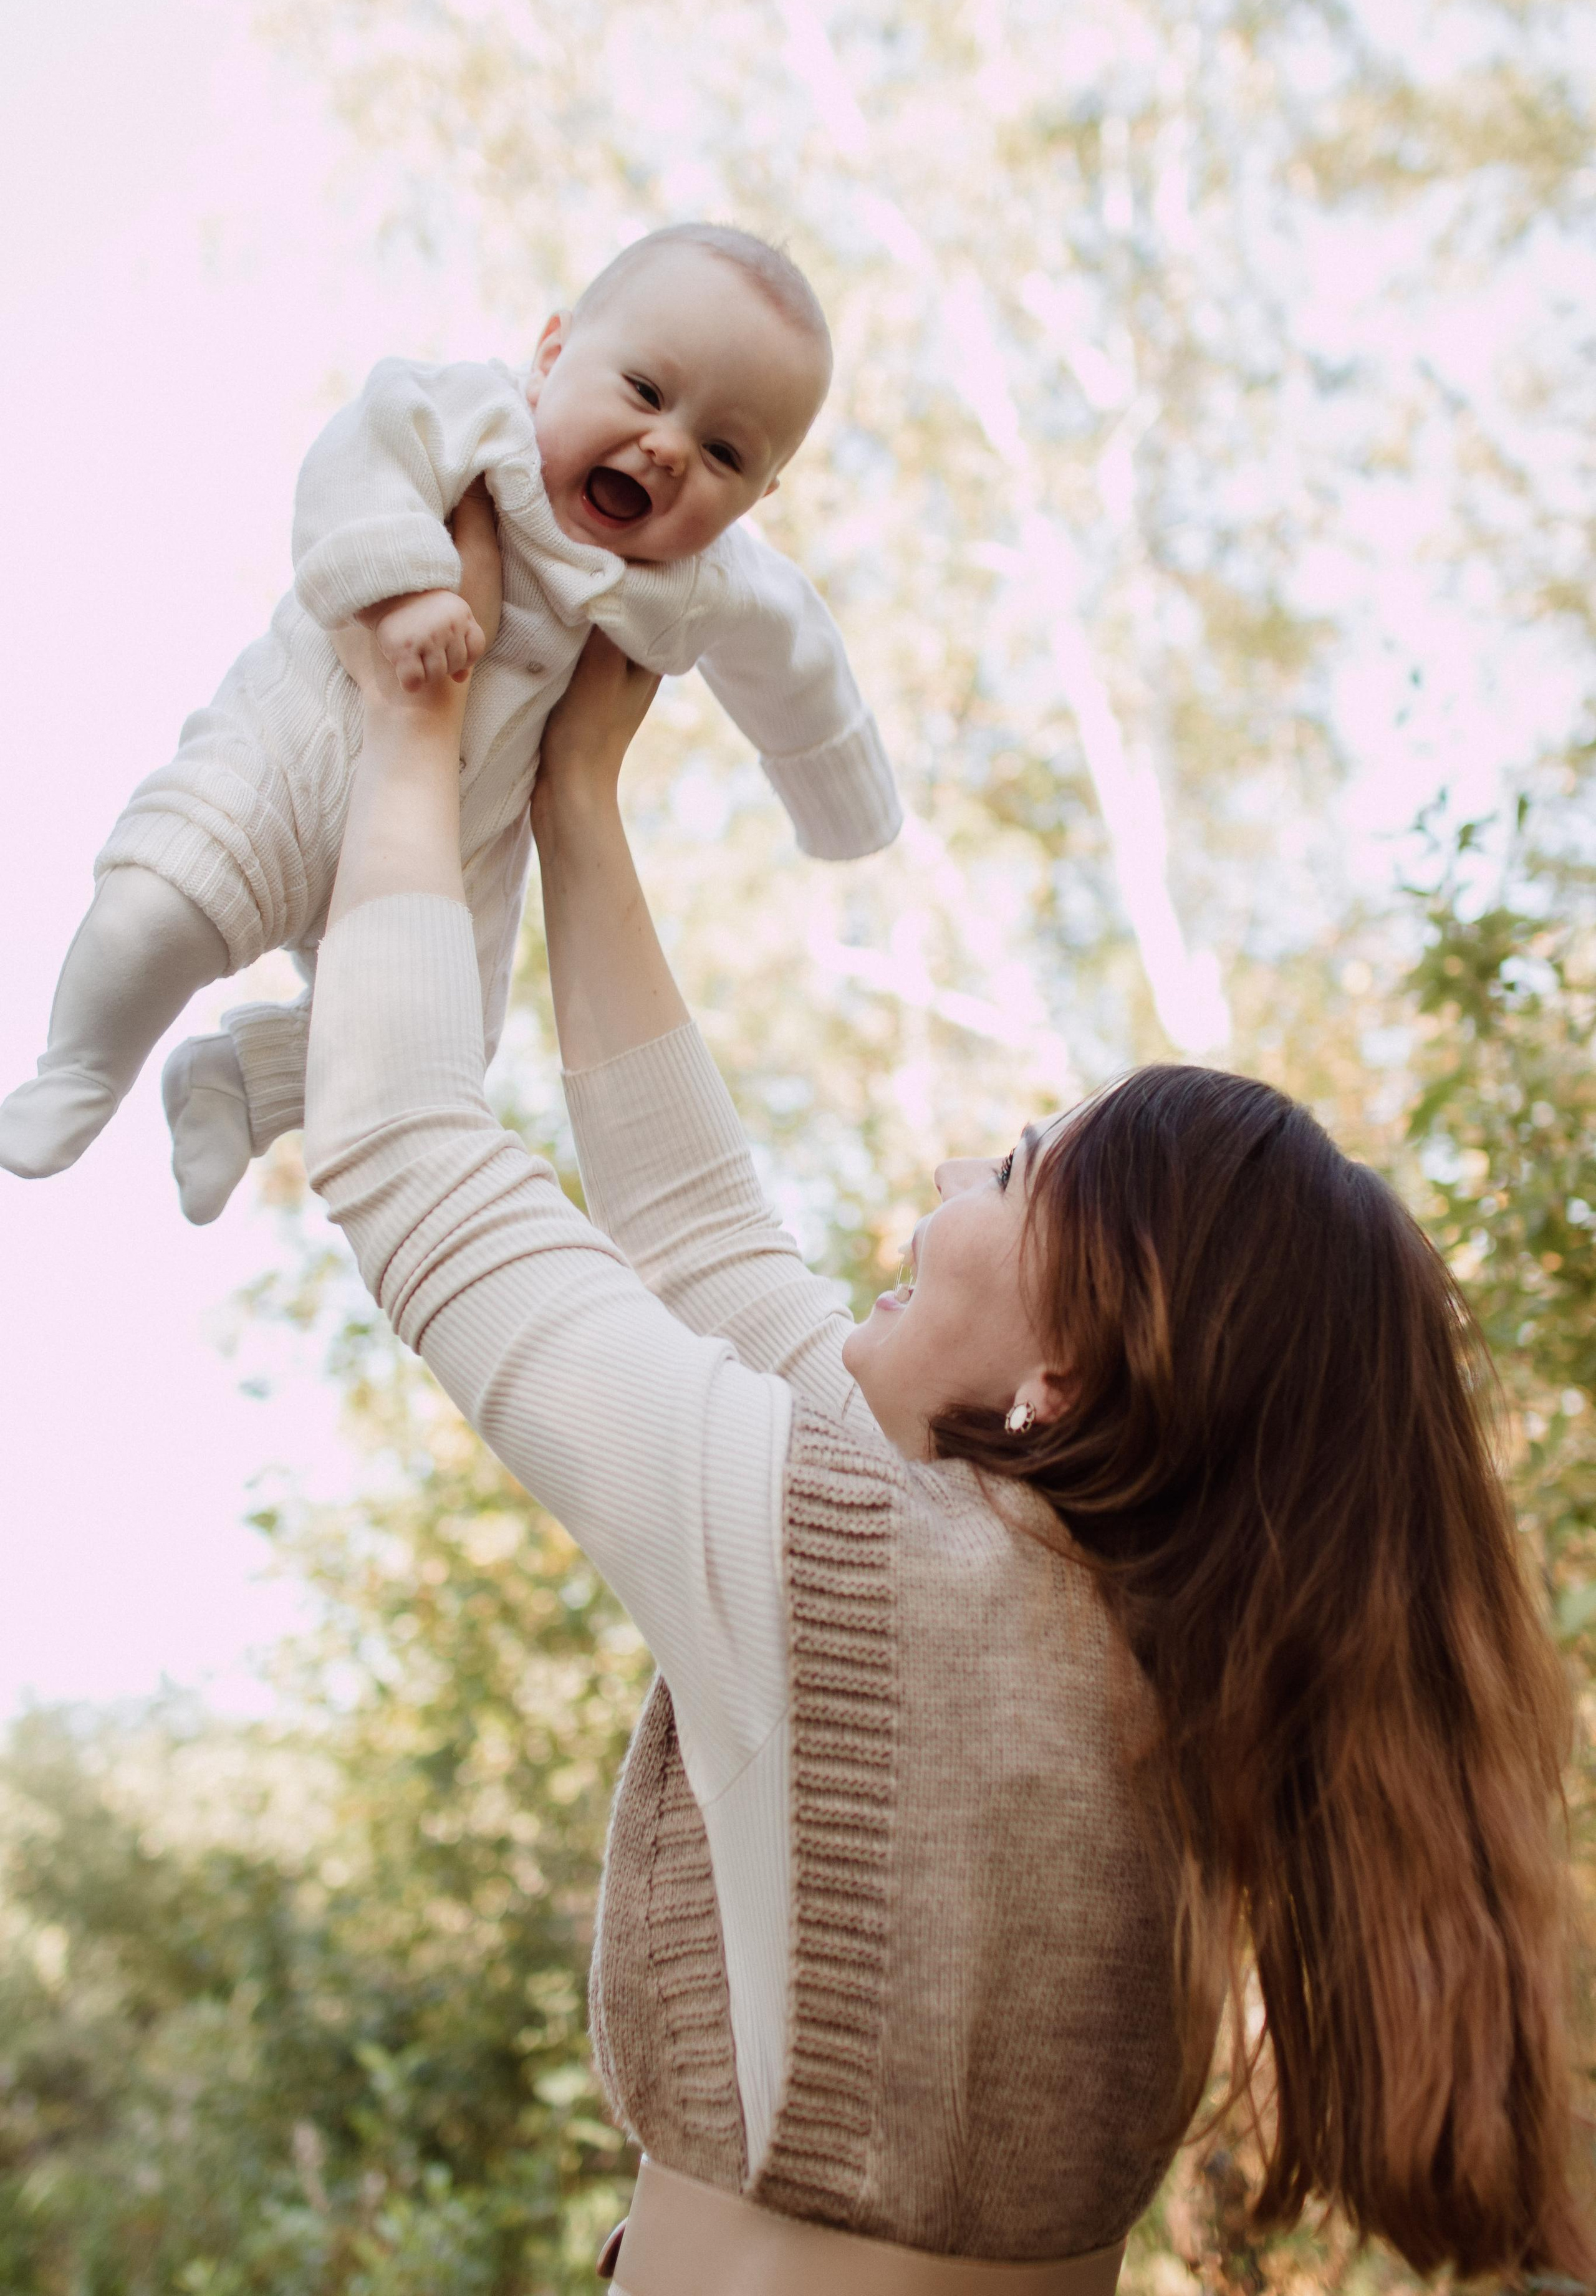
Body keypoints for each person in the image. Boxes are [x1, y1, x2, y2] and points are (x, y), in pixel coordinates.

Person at [300, 517, 1590, 2292]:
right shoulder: (1157, 1667)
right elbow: (701, 1238)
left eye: (1006, 1169)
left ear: (1062, 1377)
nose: (933, 1192)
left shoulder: (841, 1570)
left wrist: (404, 729)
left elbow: (401, 1151)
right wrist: (582, 799)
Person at [0, 223, 899, 1226]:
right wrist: (400, 593)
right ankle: (81, 1066)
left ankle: (238, 1084)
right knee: (156, 908)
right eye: (646, 392)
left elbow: (798, 655)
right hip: (294, 754)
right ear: (553, 355)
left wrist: (845, 812)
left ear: (759, 498)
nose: (668, 447)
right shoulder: (473, 419)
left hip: (460, 850)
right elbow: (356, 462)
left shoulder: (702, 582)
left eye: (725, 452)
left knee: (436, 1050)